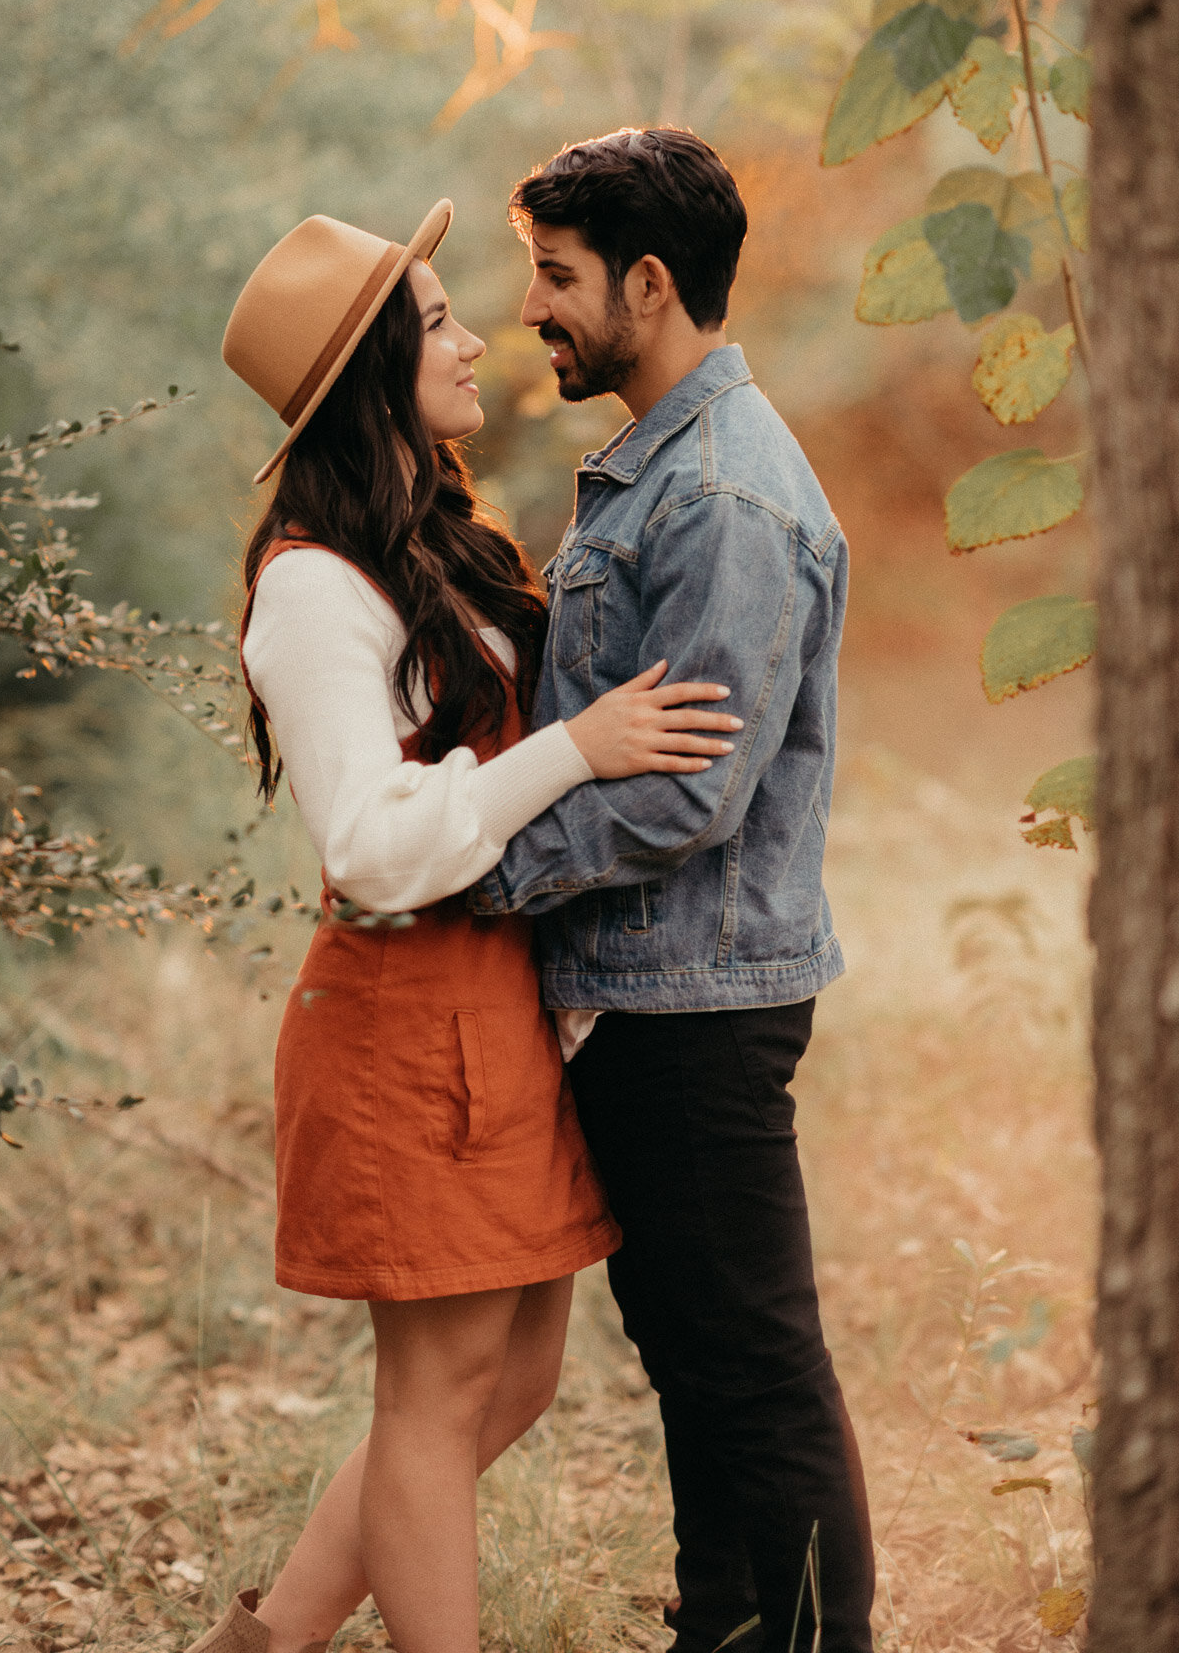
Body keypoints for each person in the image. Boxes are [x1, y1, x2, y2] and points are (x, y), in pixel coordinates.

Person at [188, 200, 743, 1653]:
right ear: (369, 369)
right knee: (431, 1406)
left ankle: (258, 1648)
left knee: (510, 1383)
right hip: (398, 1020)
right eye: (435, 320)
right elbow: (370, 851)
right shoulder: (312, 585)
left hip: (489, 1009)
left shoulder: (431, 542)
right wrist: (579, 751)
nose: (476, 335)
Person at [470, 129, 877, 1653]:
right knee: (701, 1357)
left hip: (694, 997)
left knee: (751, 1364)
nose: (533, 307)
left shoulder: (718, 495)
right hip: (656, 988)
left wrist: (486, 872)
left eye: (558, 277)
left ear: (649, 284)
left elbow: (690, 788)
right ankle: (726, 1626)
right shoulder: (662, 469)